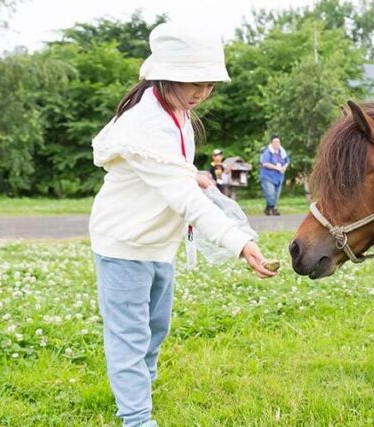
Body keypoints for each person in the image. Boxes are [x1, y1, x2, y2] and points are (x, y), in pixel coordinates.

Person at [88, 22, 277, 427]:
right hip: (123, 243)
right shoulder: (145, 123)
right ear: (167, 74)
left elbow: (172, 171)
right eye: (195, 82)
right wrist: (240, 242)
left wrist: (192, 173)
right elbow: (185, 199)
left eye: (209, 84)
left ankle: (140, 384)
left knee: (157, 326)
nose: (202, 92)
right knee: (129, 336)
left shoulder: (176, 113)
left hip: (158, 242)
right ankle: (137, 417)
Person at [259, 134, 289, 216]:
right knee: (270, 193)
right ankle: (273, 209)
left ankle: (268, 209)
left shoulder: (282, 151)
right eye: (275, 142)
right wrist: (277, 168)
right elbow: (265, 163)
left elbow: (287, 161)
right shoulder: (267, 152)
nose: (277, 144)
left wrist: (284, 168)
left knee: (276, 195)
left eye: (278, 142)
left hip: (279, 177)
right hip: (268, 176)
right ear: (271, 143)